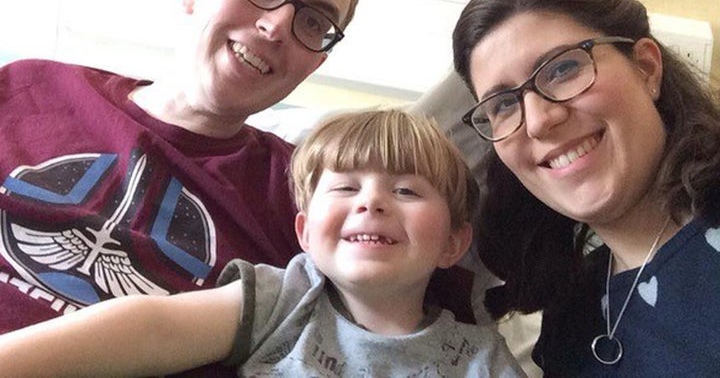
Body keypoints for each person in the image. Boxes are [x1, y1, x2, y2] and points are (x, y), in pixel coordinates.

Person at [0, 0, 359, 375]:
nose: (275, 26)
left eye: (313, 22)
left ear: (316, 63)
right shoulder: (30, 88)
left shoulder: (309, 197)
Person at [0, 109, 526, 377]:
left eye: (407, 190)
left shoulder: (480, 357)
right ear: (304, 234)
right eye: (345, 187)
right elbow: (152, 329)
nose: (372, 202)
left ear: (453, 245)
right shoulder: (285, 296)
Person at [451, 0, 720, 376]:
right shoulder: (570, 316)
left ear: (646, 68)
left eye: (562, 69)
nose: (539, 120)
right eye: (504, 104)